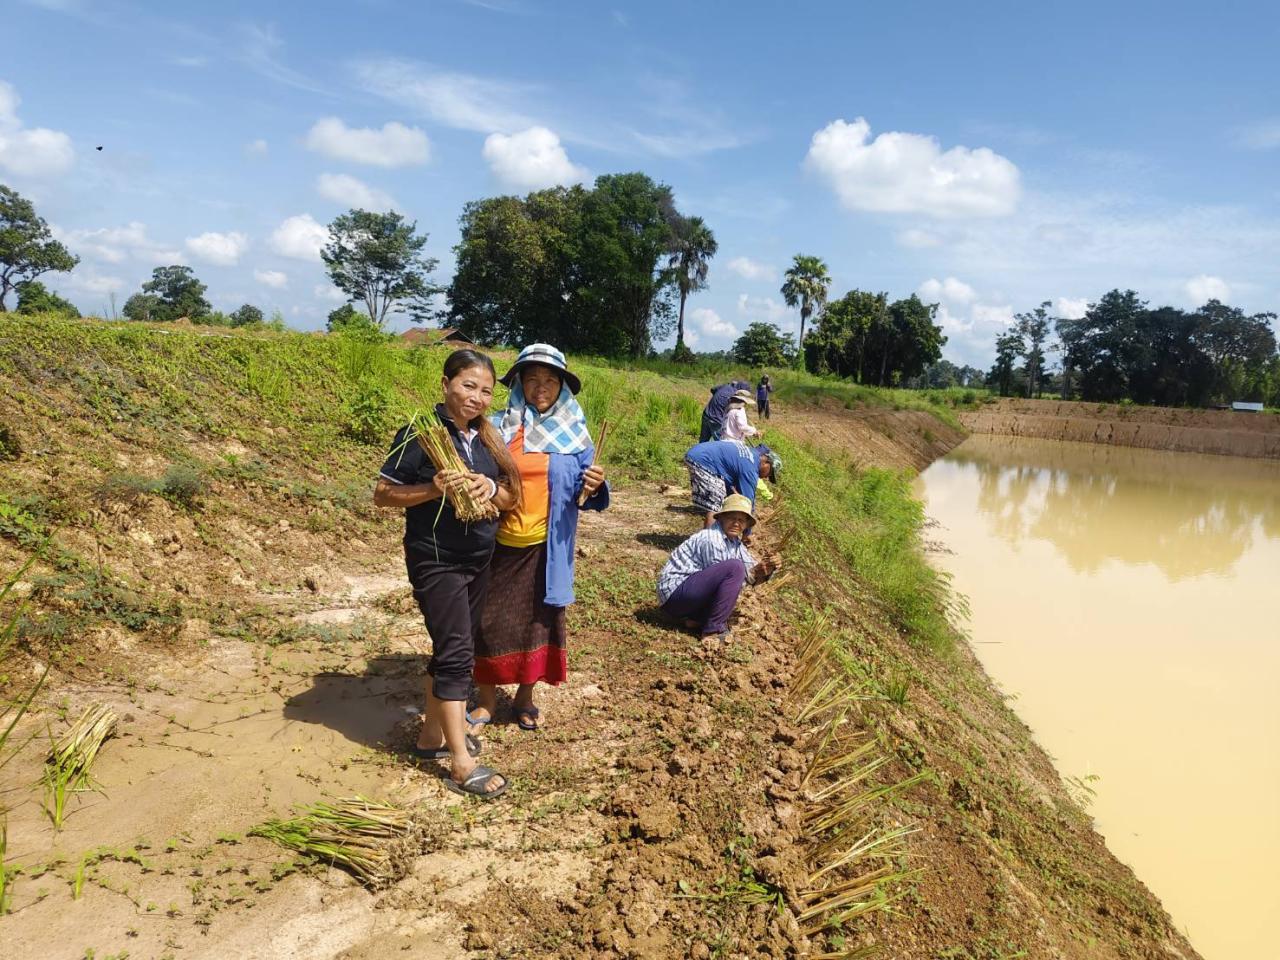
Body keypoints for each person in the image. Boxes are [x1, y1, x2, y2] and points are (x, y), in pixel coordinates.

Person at [373, 349, 521, 799]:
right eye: (468, 386)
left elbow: (512, 497)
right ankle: (461, 762)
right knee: (457, 652)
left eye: (485, 391)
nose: (476, 397)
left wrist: (492, 488)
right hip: (435, 559)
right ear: (445, 384)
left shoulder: (488, 439)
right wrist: (431, 488)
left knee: (451, 646)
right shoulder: (420, 436)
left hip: (479, 559)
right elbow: (383, 495)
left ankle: (430, 738)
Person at [470, 344, 609, 733]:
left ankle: (525, 698)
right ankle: (484, 700)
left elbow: (587, 493)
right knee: (486, 620)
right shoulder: (496, 429)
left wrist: (595, 486)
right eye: (532, 379)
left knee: (538, 623)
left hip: (546, 548)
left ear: (562, 386)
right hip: (496, 545)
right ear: (518, 383)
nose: (540, 387)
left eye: (550, 380)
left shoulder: (577, 435)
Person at [656, 494, 780, 640]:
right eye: (732, 518)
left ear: (746, 525)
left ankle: (696, 619)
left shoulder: (735, 543)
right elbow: (727, 582)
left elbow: (750, 574)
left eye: (741, 520)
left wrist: (767, 569)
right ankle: (711, 631)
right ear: (721, 518)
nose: (736, 523)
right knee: (735, 567)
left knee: (737, 569)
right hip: (675, 594)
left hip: (689, 595)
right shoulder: (712, 538)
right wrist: (750, 574)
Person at [683, 438, 782, 527]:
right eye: (769, 474)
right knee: (716, 507)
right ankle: (709, 544)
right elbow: (748, 501)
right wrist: (747, 532)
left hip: (699, 454)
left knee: (722, 501)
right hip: (703, 460)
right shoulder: (750, 468)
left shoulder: (750, 455)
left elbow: (731, 488)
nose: (766, 477)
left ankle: (718, 535)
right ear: (766, 463)